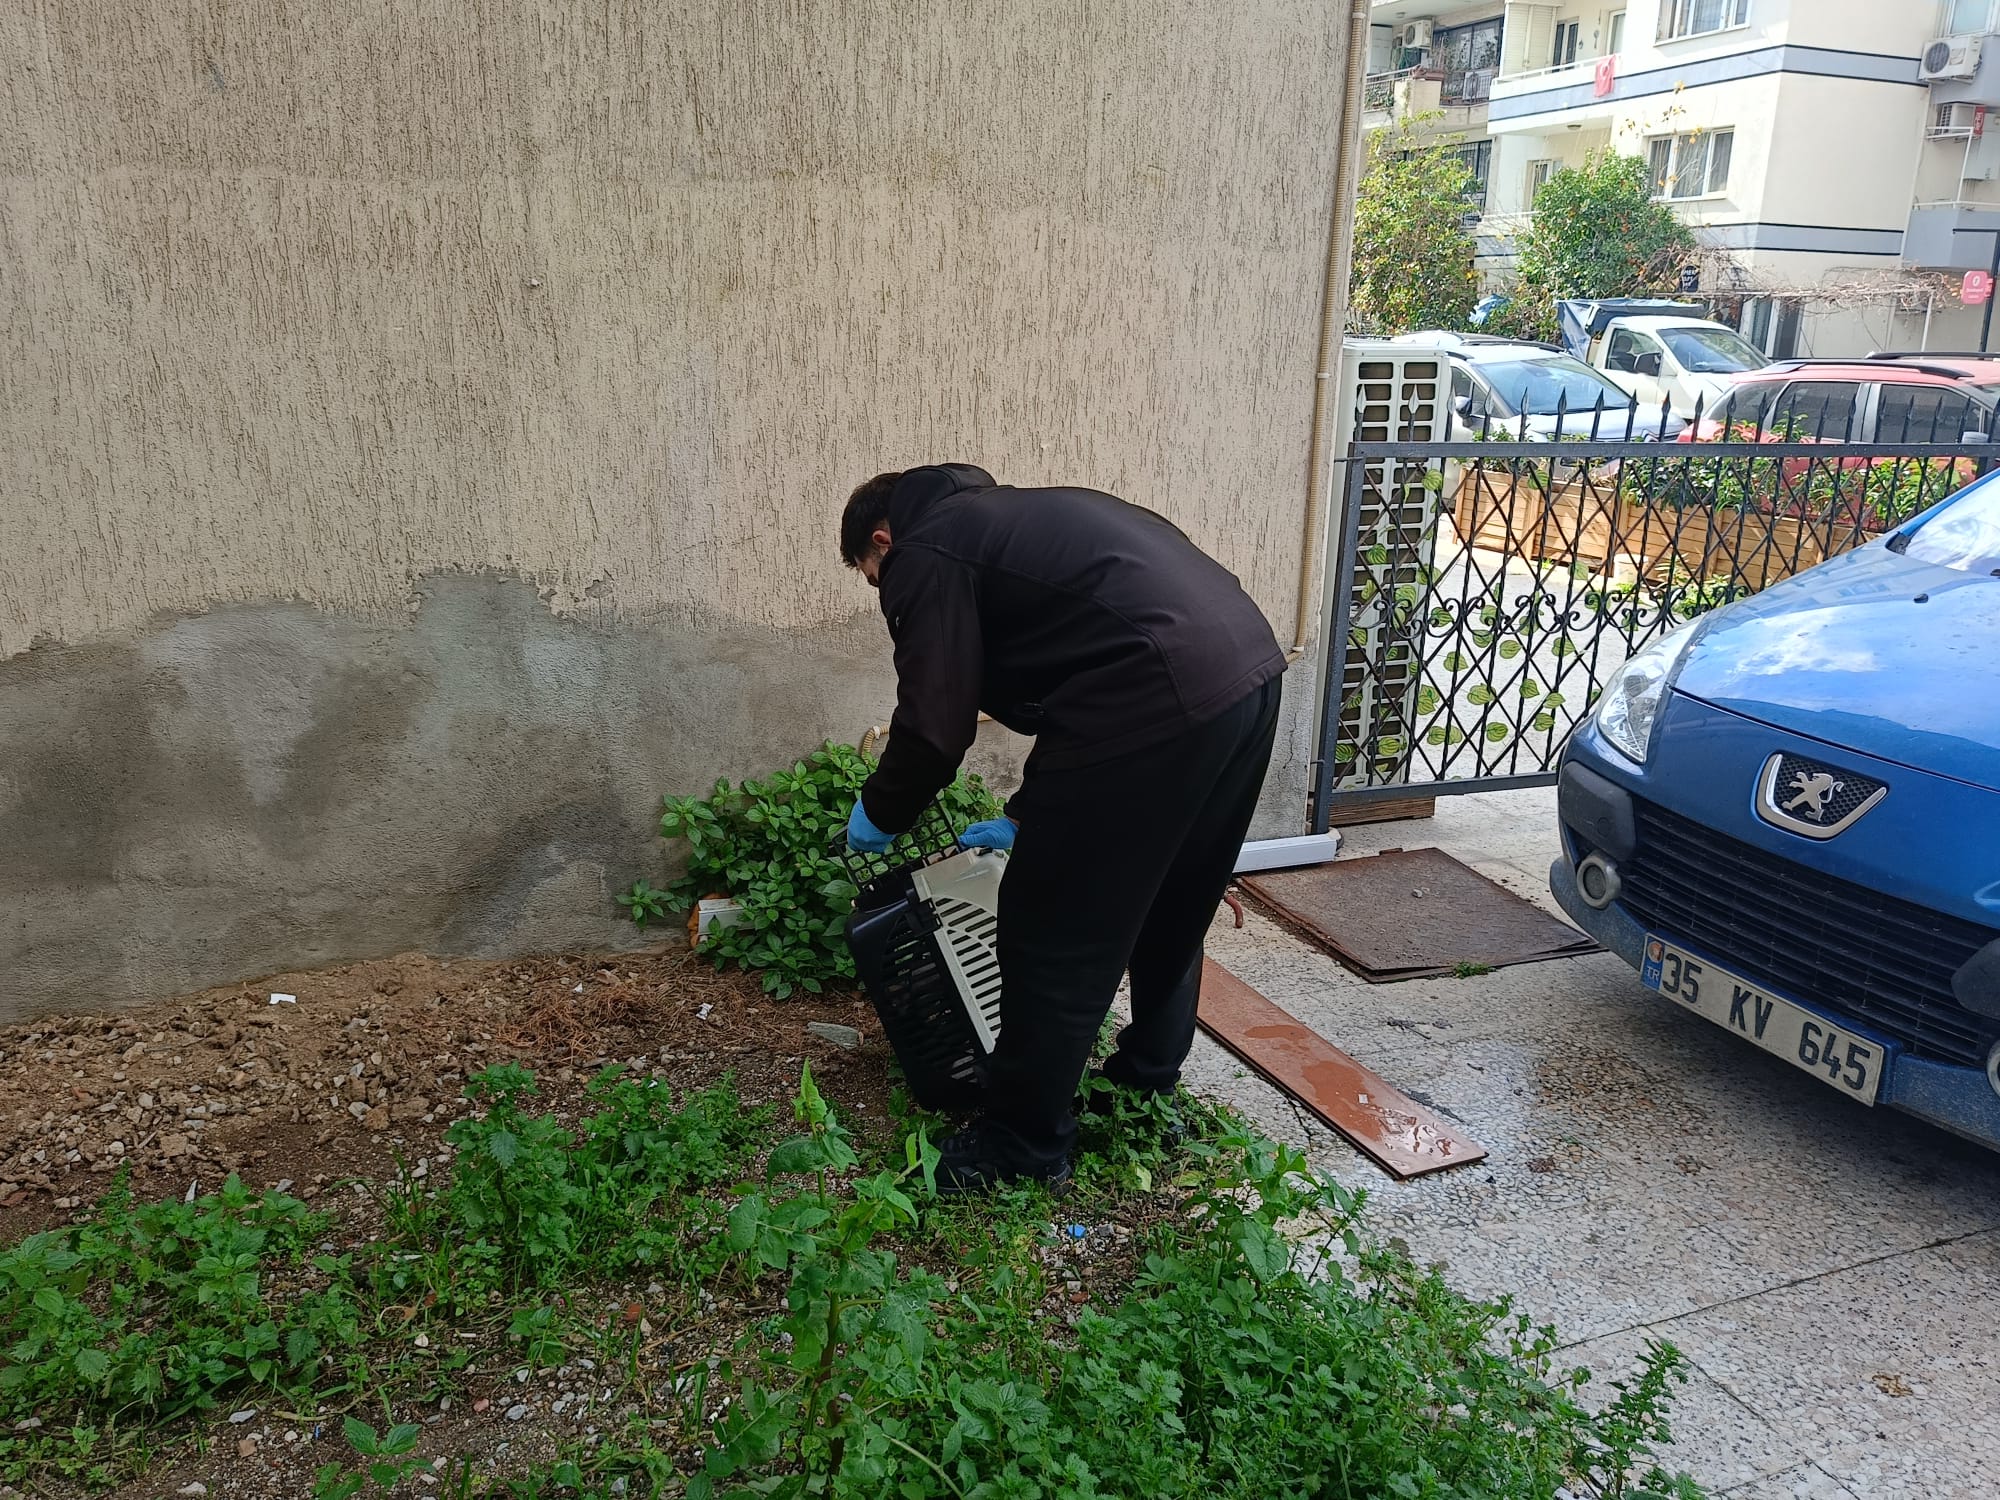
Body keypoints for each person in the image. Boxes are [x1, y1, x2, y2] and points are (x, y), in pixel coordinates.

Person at [840, 463, 1284, 1194]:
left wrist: (881, 811)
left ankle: (1022, 1145)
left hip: (1155, 692)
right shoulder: (1011, 523)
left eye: (872, 576)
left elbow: (933, 728)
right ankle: (1146, 1084)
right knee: (1172, 899)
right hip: (1247, 671)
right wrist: (1025, 814)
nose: (883, 587)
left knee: (1050, 929)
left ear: (883, 541)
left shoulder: (924, 550)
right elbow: (1084, 675)